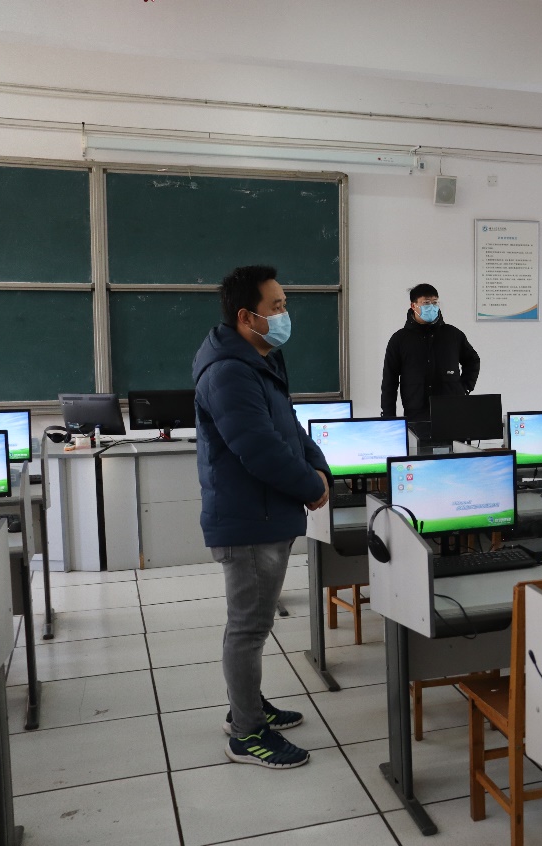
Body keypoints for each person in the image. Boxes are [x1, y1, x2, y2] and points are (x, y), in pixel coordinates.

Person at [193, 264, 332, 769]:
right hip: (248, 518)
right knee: (249, 627)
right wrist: (309, 486)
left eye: (284, 304)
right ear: (245, 316)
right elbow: (259, 449)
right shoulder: (229, 372)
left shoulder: (259, 360)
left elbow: (288, 426)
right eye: (276, 307)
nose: (284, 314)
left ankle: (247, 705)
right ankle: (246, 732)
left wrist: (320, 469)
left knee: (256, 621)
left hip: (267, 511)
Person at [380, 283, 481, 421]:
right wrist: (388, 416)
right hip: (416, 412)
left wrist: (464, 388)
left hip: (451, 410)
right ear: (413, 305)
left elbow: (472, 360)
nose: (432, 307)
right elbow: (389, 380)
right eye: (426, 303)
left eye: (435, 302)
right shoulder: (399, 339)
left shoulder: (453, 334)